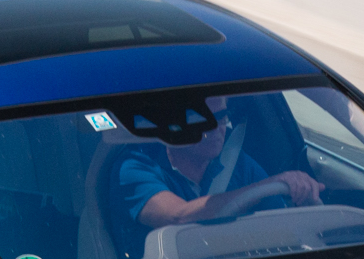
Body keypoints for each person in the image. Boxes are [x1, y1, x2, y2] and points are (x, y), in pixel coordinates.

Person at [116, 98, 325, 229]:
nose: (217, 128)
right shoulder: (136, 168)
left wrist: (306, 203)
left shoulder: (237, 162)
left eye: (223, 117)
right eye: (204, 120)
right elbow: (177, 217)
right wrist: (270, 183)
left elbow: (280, 224)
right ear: (174, 125)